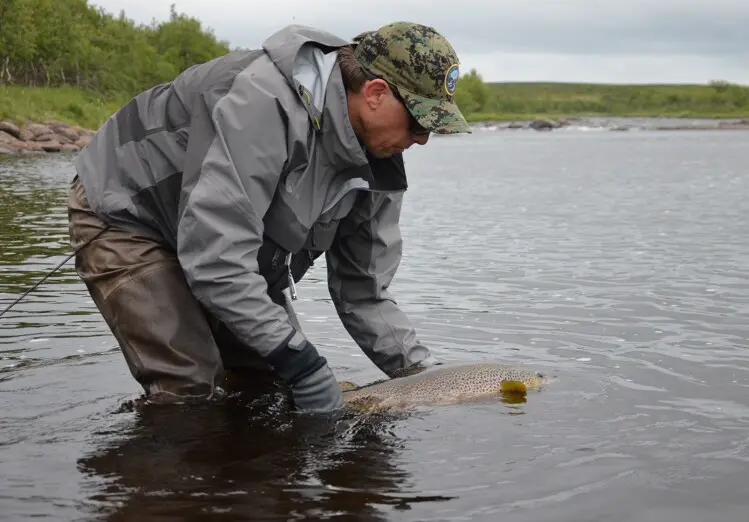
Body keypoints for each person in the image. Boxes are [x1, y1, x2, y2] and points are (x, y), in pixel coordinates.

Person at [66, 21, 472, 413]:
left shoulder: (380, 164)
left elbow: (363, 290)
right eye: (420, 121)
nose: (422, 138)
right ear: (376, 92)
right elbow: (216, 260)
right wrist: (303, 364)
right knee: (189, 386)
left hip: (224, 243)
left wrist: (421, 377)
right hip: (129, 214)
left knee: (268, 384)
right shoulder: (263, 103)